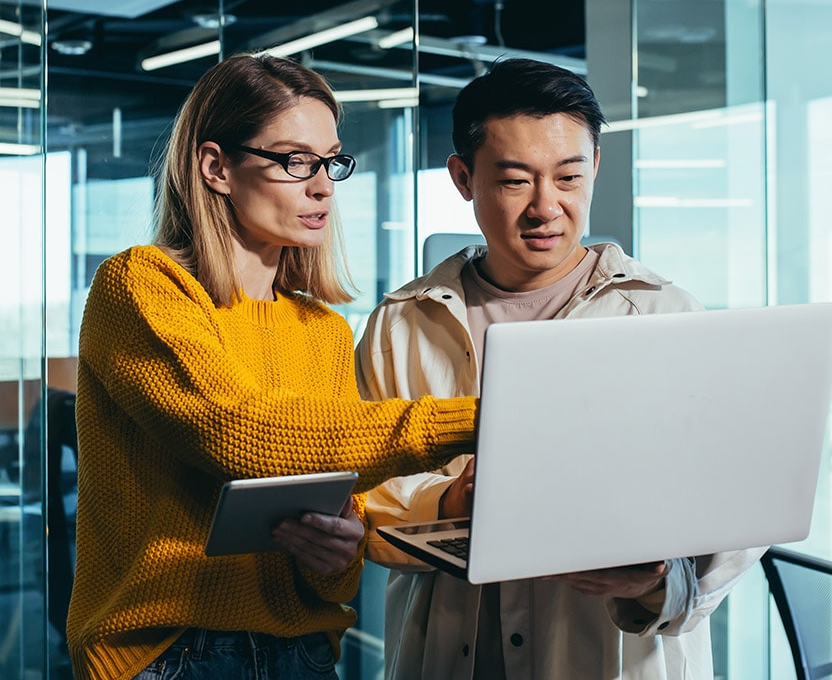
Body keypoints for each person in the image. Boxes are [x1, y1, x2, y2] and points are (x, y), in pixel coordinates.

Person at [65, 53, 479, 680]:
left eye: (330, 162)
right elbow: (238, 431)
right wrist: (486, 417)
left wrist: (336, 549)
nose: (321, 186)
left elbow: (342, 556)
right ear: (216, 167)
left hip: (303, 655)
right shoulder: (141, 286)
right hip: (169, 655)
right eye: (294, 160)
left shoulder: (324, 331)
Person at [356, 58, 765, 680]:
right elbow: (360, 494)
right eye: (516, 181)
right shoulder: (402, 324)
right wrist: (450, 501)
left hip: (604, 655)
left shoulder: (663, 312)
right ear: (463, 178)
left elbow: (739, 505)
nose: (547, 207)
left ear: (595, 167)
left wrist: (657, 581)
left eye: (569, 177)